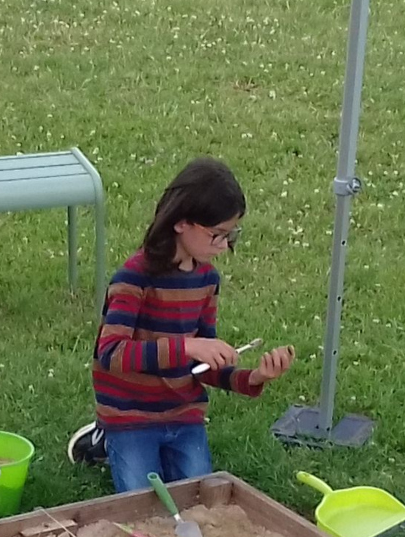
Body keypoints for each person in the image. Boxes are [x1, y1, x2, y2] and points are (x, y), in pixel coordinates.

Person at [72, 157, 297, 493]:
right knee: (143, 502)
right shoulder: (134, 277)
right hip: (129, 415)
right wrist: (188, 346)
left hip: (182, 414)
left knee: (197, 495)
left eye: (230, 234)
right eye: (216, 234)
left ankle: (142, 451)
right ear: (181, 223)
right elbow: (111, 353)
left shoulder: (207, 280)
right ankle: (105, 440)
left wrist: (254, 377)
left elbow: (200, 367)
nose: (223, 245)